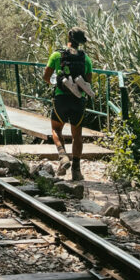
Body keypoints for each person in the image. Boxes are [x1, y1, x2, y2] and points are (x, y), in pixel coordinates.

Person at [42, 28, 93, 182]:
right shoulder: (86, 59)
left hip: (61, 99)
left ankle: (63, 156)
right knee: (77, 134)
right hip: (78, 100)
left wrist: (56, 83)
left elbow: (46, 76)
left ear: (68, 38)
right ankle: (76, 171)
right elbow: (89, 81)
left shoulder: (57, 55)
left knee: (56, 129)